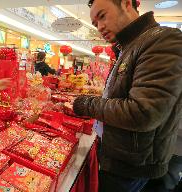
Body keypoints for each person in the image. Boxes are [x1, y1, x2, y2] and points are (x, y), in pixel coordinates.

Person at [72, 0, 182, 191]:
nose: (100, 27)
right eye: (95, 23)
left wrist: (86, 104)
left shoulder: (162, 40)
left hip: (131, 165)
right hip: (119, 156)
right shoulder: (128, 46)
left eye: (102, 16)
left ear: (126, 3)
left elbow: (143, 112)